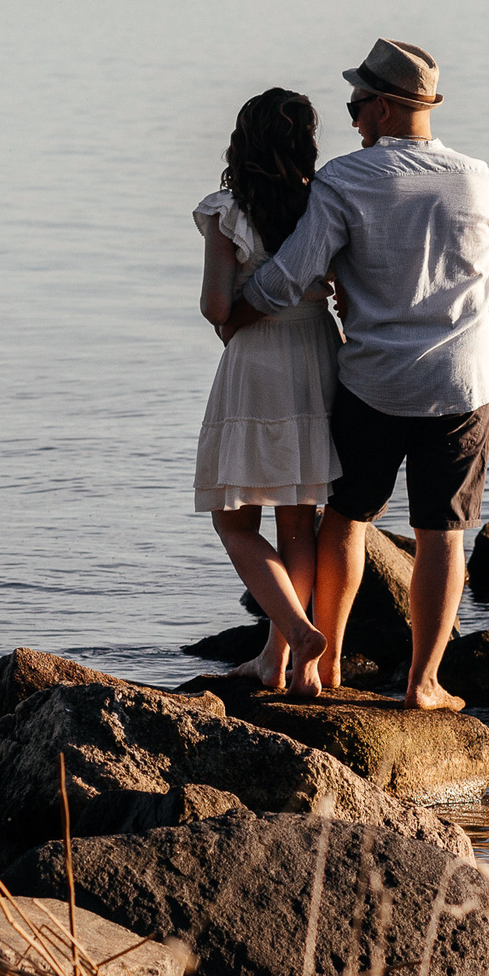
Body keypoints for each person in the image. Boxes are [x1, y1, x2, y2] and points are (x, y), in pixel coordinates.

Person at [232, 39, 489, 712]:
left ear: (384, 107)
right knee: (442, 531)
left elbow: (292, 275)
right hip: (461, 383)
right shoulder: (481, 179)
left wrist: (235, 307)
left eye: (357, 105)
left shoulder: (347, 180)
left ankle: (318, 671)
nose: (353, 119)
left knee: (347, 518)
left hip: (372, 383)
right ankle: (424, 684)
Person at [192, 87, 343, 696]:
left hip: (258, 360)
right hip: (319, 352)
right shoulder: (321, 204)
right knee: (298, 520)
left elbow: (217, 305)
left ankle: (298, 635)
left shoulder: (229, 210)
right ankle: (282, 663)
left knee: (234, 518)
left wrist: (230, 322)